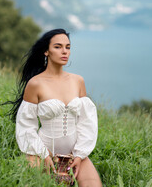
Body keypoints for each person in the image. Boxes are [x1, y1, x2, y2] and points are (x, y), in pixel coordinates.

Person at [10, 29, 102, 186]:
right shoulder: (35, 84)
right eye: (58, 47)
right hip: (42, 152)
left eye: (68, 47)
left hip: (75, 153)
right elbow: (27, 126)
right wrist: (44, 155)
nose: (64, 51)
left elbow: (86, 122)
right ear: (46, 51)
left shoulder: (78, 81)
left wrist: (79, 155)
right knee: (34, 183)